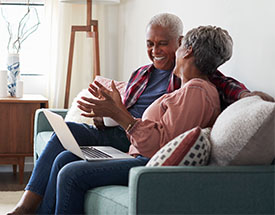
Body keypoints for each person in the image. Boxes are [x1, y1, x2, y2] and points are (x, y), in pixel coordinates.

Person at [8, 13, 273, 215]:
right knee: (64, 153)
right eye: (150, 43)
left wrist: (250, 97)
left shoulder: (198, 90)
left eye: (166, 45)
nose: (156, 50)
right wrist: (104, 112)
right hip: (131, 141)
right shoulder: (149, 76)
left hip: (143, 154)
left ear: (185, 48)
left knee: (70, 172)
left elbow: (159, 142)